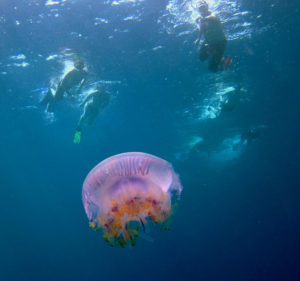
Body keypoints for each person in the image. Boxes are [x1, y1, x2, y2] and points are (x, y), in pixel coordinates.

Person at [195, 1, 228, 72]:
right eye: (200, 8)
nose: (202, 10)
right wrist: (198, 39)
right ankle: (215, 56)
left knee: (212, 68)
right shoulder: (201, 18)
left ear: (207, 7)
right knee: (202, 58)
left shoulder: (213, 14)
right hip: (210, 42)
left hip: (220, 42)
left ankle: (223, 61)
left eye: (204, 7)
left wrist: (204, 19)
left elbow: (214, 17)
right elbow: (201, 29)